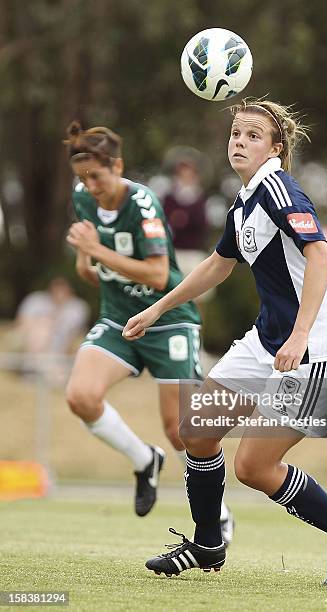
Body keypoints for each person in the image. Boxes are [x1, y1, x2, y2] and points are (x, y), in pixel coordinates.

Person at [123, 98, 327, 586]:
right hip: (267, 342)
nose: (239, 141)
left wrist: (301, 335)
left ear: (276, 148)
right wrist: (158, 307)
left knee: (254, 467)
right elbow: (218, 265)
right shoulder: (245, 200)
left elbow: (322, 259)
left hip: (314, 353)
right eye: (236, 133)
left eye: (253, 135)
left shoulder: (278, 189)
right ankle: (206, 544)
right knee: (196, 431)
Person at [63, 121, 234, 543]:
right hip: (119, 318)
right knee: (81, 397)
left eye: (97, 175)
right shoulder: (83, 197)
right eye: (82, 177)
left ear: (117, 166)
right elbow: (94, 272)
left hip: (166, 319)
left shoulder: (143, 202)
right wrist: (86, 261)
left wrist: (96, 251)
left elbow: (159, 275)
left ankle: (218, 513)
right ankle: (144, 460)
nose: (90, 185)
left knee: (180, 429)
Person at [14, 276, 89, 380]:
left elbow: (77, 332)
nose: (59, 293)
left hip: (61, 347)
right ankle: (35, 367)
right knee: (42, 329)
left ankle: (40, 370)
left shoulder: (77, 307)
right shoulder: (36, 300)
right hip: (34, 342)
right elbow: (22, 323)